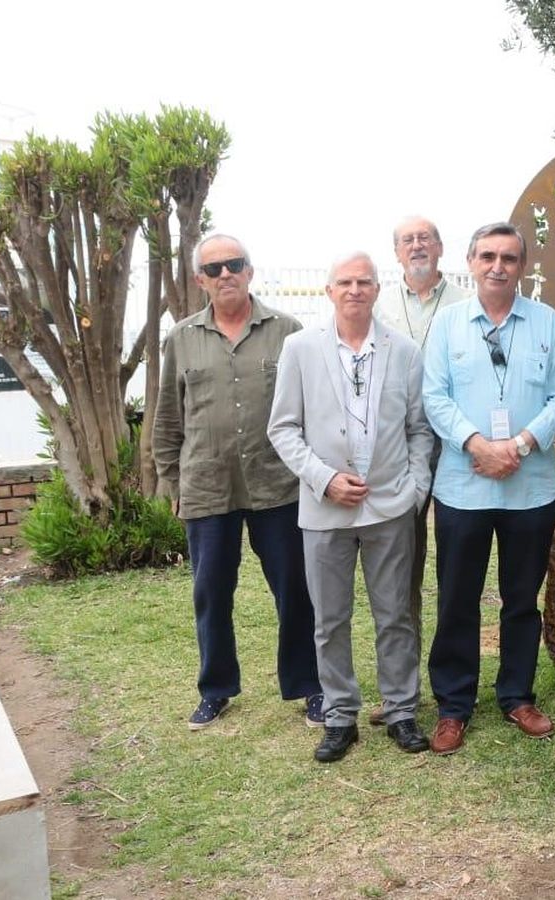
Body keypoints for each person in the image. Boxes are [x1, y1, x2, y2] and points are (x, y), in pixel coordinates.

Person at [268, 252, 435, 762]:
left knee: (395, 615)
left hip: (389, 508)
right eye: (345, 281)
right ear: (329, 290)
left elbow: (419, 430)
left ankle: (402, 710)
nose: (355, 289)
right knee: (329, 619)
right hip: (325, 510)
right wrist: (324, 479)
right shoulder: (299, 349)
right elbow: (283, 429)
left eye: (364, 281)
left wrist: (413, 491)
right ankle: (340, 716)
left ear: (378, 289)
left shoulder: (404, 352)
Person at [153, 234, 323, 730]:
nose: (226, 274)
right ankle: (216, 688)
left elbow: (310, 410)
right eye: (215, 268)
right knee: (211, 592)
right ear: (199, 280)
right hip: (207, 487)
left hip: (279, 486)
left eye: (235, 264)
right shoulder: (181, 339)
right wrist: (171, 482)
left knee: (295, 590)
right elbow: (167, 417)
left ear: (250, 271)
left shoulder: (288, 333)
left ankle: (308, 685)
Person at [421, 222, 555, 755]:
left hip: (530, 487)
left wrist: (522, 445)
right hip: (464, 486)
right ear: (470, 261)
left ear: (523, 266)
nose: (498, 266)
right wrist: (478, 446)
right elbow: (434, 397)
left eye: (509, 257)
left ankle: (517, 695)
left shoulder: (547, 323)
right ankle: (453, 705)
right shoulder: (447, 325)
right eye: (487, 255)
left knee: (520, 600)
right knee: (458, 599)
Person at [369, 215, 463, 727]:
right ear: (397, 252)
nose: (418, 245)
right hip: (397, 453)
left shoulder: (464, 306)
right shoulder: (379, 306)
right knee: (399, 576)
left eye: (425, 237)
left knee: (455, 573)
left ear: (441, 248)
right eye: (408, 239)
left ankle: (454, 683)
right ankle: (401, 689)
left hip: (456, 450)